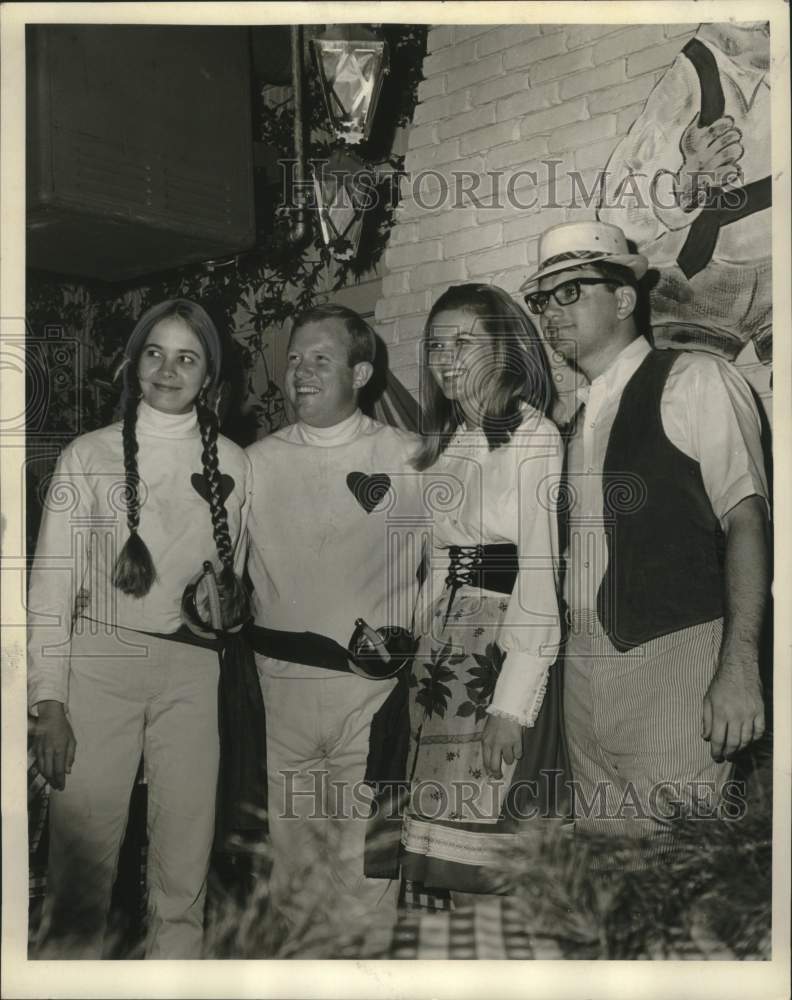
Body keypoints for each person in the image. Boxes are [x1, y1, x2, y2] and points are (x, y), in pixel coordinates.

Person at [519, 221, 770, 859]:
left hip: (674, 655)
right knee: (614, 878)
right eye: (542, 299)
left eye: (569, 292)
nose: (551, 312)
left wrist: (739, 664)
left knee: (681, 876)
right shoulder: (570, 422)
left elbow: (747, 519)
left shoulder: (696, 380)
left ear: (625, 298)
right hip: (584, 667)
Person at [28, 299, 252, 958]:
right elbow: (49, 587)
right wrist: (49, 701)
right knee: (82, 872)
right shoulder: (87, 455)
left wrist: (230, 607)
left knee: (183, 870)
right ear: (133, 363)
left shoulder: (237, 464)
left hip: (193, 671)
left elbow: (239, 585)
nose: (167, 369)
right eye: (155, 352)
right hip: (99, 663)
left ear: (209, 375)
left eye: (187, 357)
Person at [244, 303, 424, 954]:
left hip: (370, 701)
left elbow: (459, 566)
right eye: (293, 358)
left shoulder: (410, 458)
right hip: (282, 696)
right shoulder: (252, 464)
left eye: (321, 358)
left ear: (362, 371)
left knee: (367, 867)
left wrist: (416, 638)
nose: (301, 371)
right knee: (294, 872)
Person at [400, 283, 567, 899]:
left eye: (465, 343)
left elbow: (541, 572)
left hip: (497, 657)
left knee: (485, 847)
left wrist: (510, 705)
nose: (446, 357)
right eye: (437, 345)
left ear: (506, 350)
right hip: (442, 658)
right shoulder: (448, 448)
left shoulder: (534, 436)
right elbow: (441, 563)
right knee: (431, 858)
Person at [597, 21, 771, 367]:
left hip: (775, 282)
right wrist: (684, 183)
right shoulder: (695, 72)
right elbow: (616, 211)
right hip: (693, 289)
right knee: (681, 395)